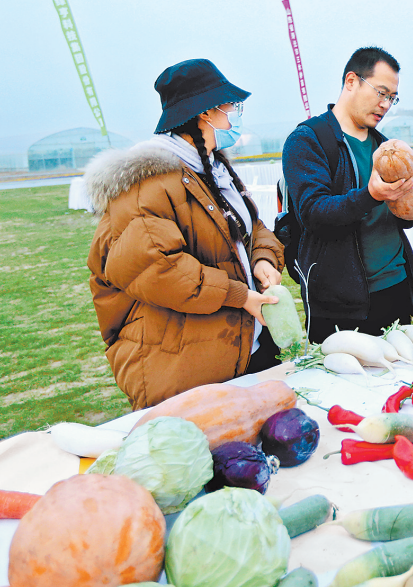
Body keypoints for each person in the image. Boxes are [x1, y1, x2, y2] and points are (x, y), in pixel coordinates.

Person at [86, 59, 285, 409]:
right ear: (206, 113)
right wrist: (240, 295)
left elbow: (251, 227)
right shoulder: (147, 183)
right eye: (231, 107)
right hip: (183, 362)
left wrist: (263, 258)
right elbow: (158, 268)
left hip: (243, 348)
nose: (235, 115)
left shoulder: (214, 168)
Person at [282, 47, 413, 342]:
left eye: (392, 98)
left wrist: (411, 203)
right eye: (381, 92)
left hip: (396, 285)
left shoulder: (385, 145)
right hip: (341, 301)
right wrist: (370, 195)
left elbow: (397, 218)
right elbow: (313, 212)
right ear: (351, 81)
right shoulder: (307, 140)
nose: (385, 105)